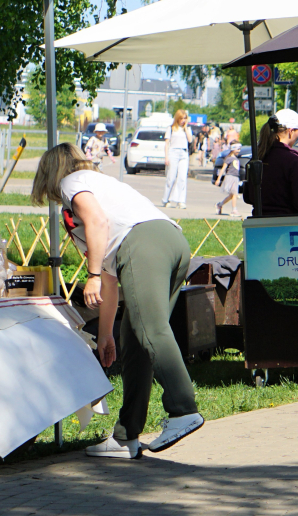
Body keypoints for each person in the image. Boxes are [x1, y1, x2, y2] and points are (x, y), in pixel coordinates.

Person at [31, 143, 203, 459]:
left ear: (50, 172)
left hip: (143, 244)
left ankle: (183, 409)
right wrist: (107, 333)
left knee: (150, 328)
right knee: (136, 337)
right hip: (170, 242)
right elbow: (112, 279)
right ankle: (127, 437)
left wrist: (91, 274)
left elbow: (98, 225)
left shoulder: (73, 183)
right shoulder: (99, 187)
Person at [244, 109, 298, 216]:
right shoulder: (294, 161)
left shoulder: (257, 157)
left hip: (257, 224)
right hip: (286, 226)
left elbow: (248, 197)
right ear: (291, 131)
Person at [161, 109, 191, 210]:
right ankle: (166, 199)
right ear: (177, 118)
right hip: (173, 153)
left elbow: (190, 140)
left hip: (184, 153)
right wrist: (166, 157)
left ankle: (181, 201)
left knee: (182, 178)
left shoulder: (187, 129)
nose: (183, 120)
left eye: (185, 118)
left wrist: (186, 128)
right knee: (171, 178)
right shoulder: (171, 128)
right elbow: (167, 143)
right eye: (181, 118)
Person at [214, 140, 242, 217]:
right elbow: (223, 169)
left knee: (232, 196)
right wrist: (218, 179)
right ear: (232, 149)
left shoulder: (236, 158)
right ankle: (234, 210)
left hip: (235, 177)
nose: (238, 151)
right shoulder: (229, 158)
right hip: (230, 177)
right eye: (237, 149)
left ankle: (220, 204)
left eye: (239, 149)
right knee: (234, 194)